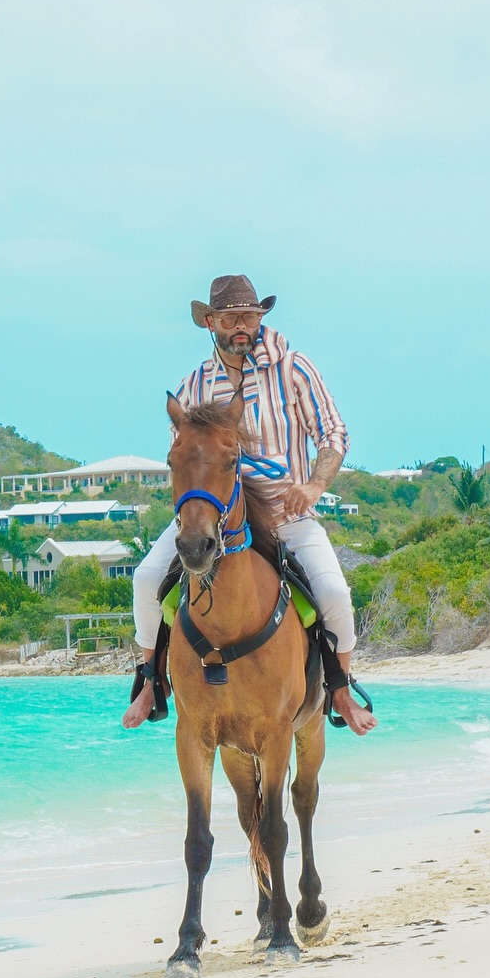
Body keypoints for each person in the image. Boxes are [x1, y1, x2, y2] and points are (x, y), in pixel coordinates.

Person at [122, 274, 377, 736]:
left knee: (335, 595)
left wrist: (315, 486)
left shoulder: (295, 369)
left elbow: (334, 433)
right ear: (210, 322)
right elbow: (185, 463)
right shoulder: (193, 387)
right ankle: (151, 680)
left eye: (251, 317)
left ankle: (339, 688)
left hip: (286, 514)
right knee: (144, 580)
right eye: (232, 318)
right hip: (218, 519)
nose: (243, 326)